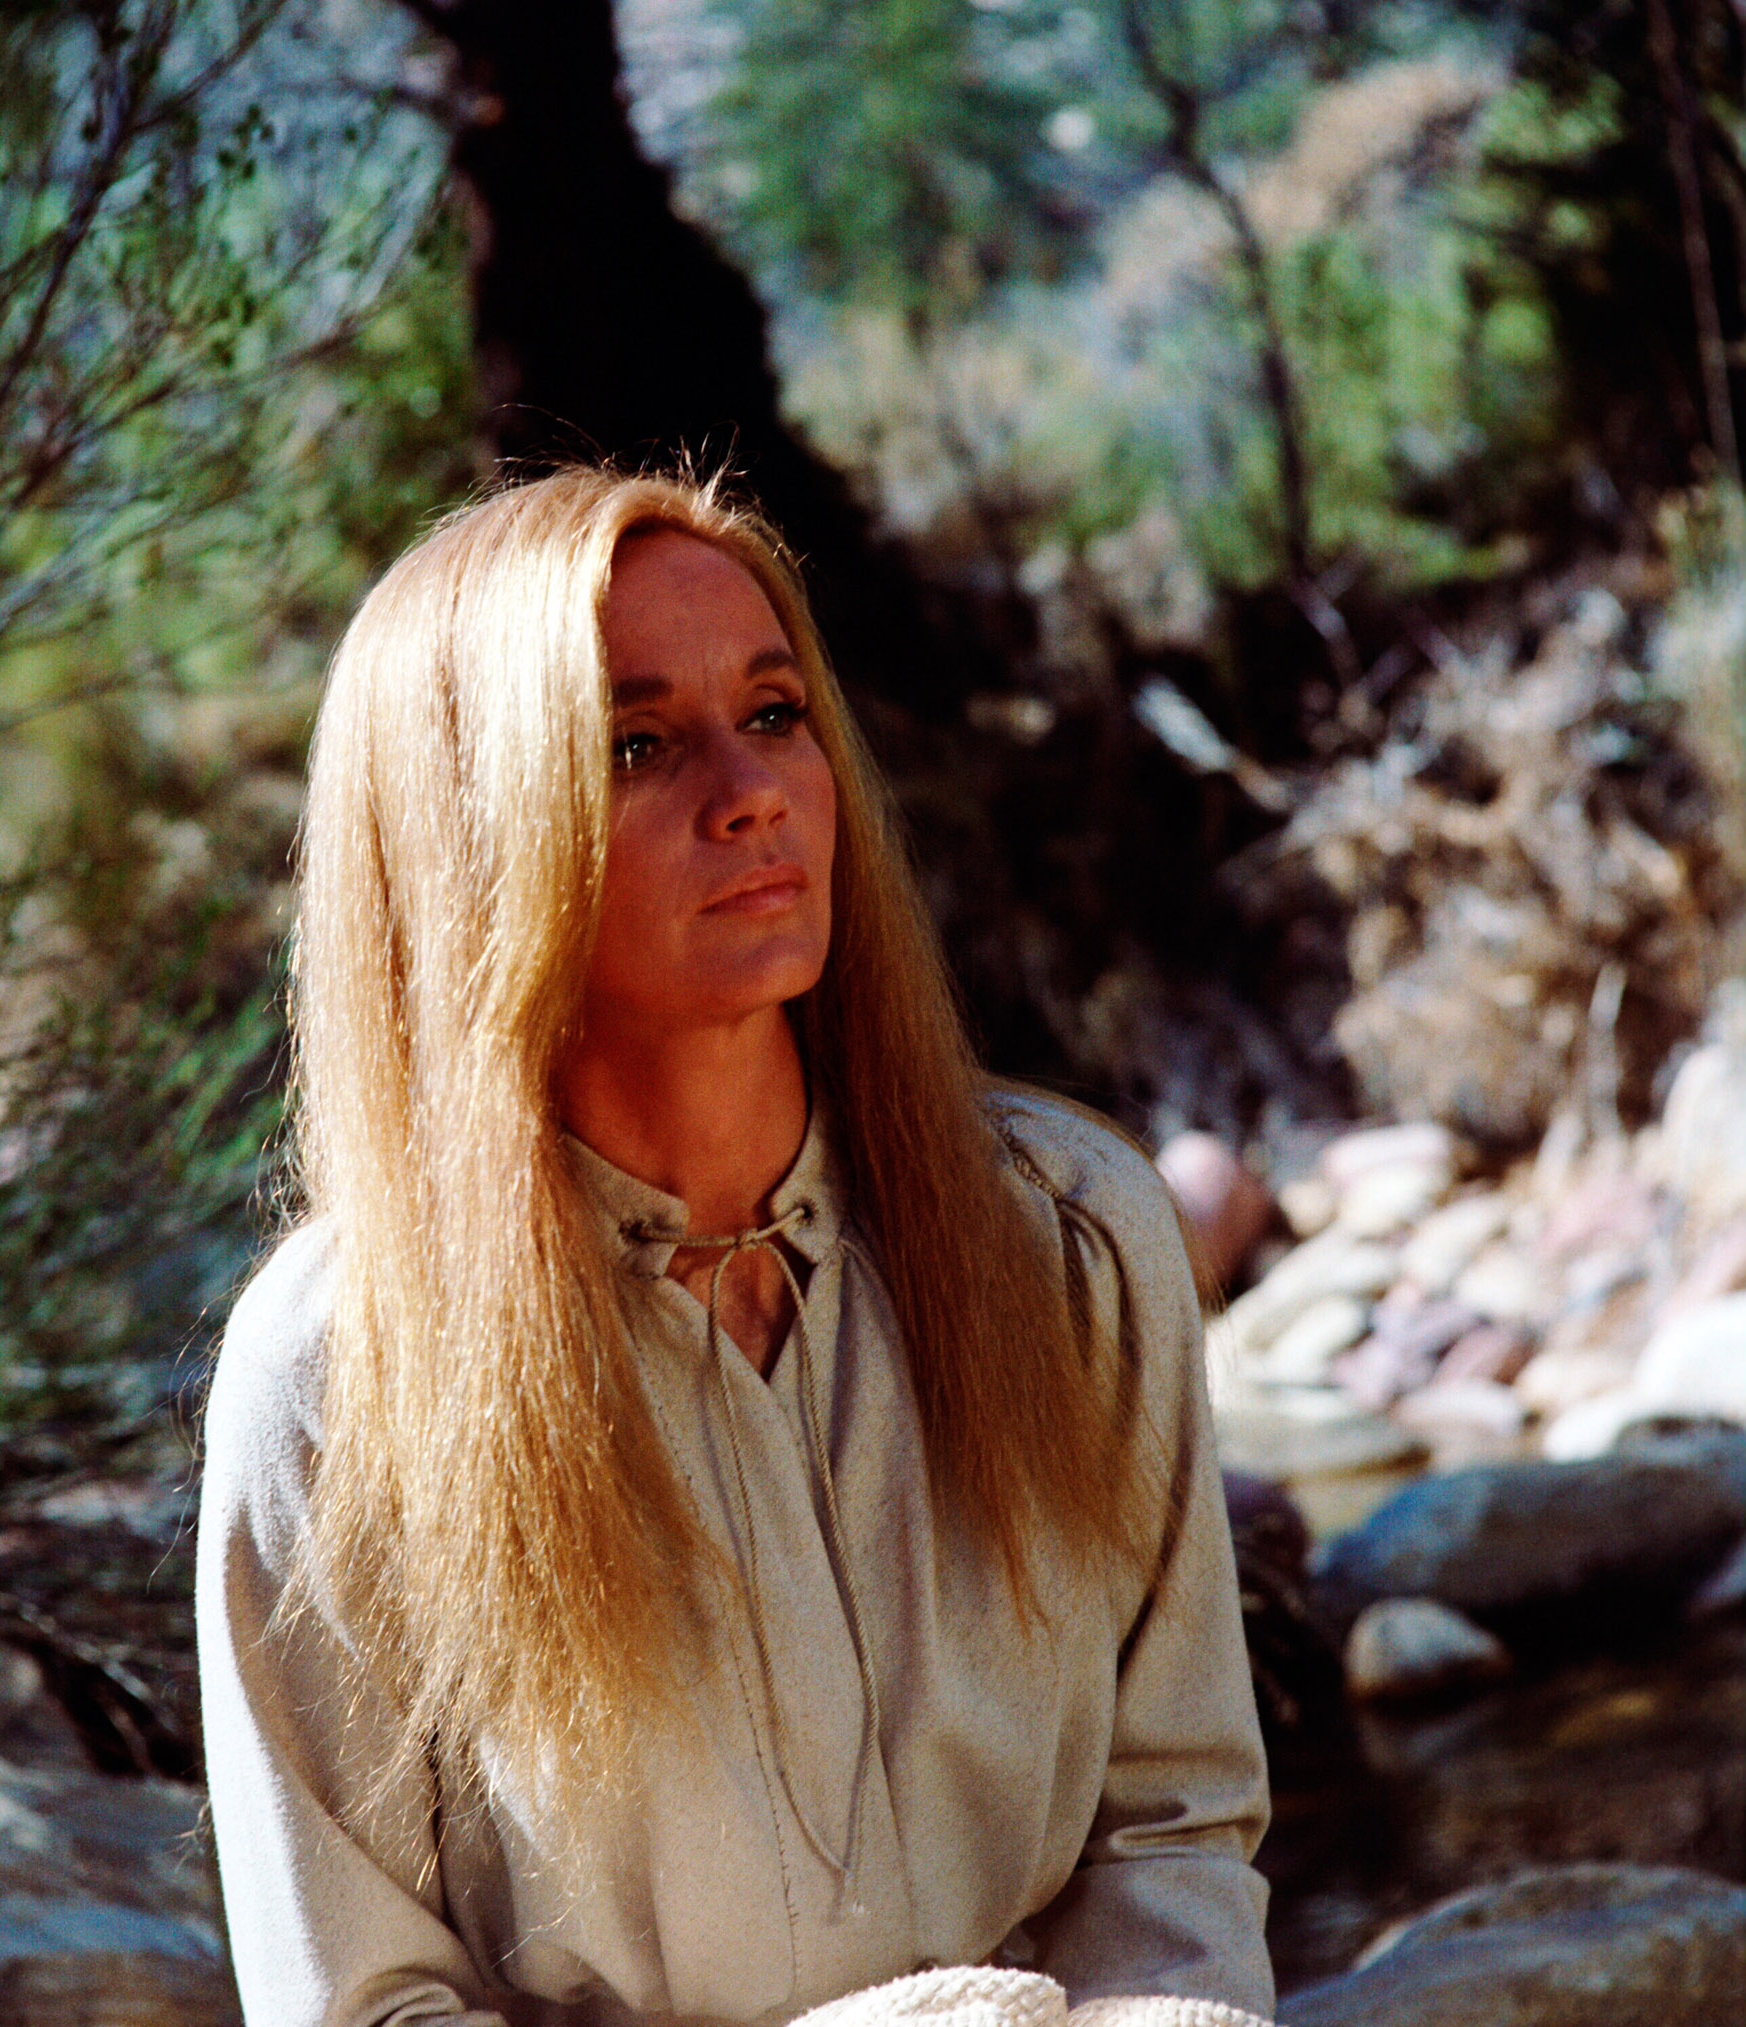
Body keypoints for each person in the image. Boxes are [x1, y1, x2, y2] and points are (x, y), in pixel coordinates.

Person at [195, 468, 1275, 2027]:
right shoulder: (336, 1381)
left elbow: (1175, 1827)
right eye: (635, 744)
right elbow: (365, 2001)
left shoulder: (1074, 1239)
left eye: (774, 714)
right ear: (469, 833)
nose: (750, 789)